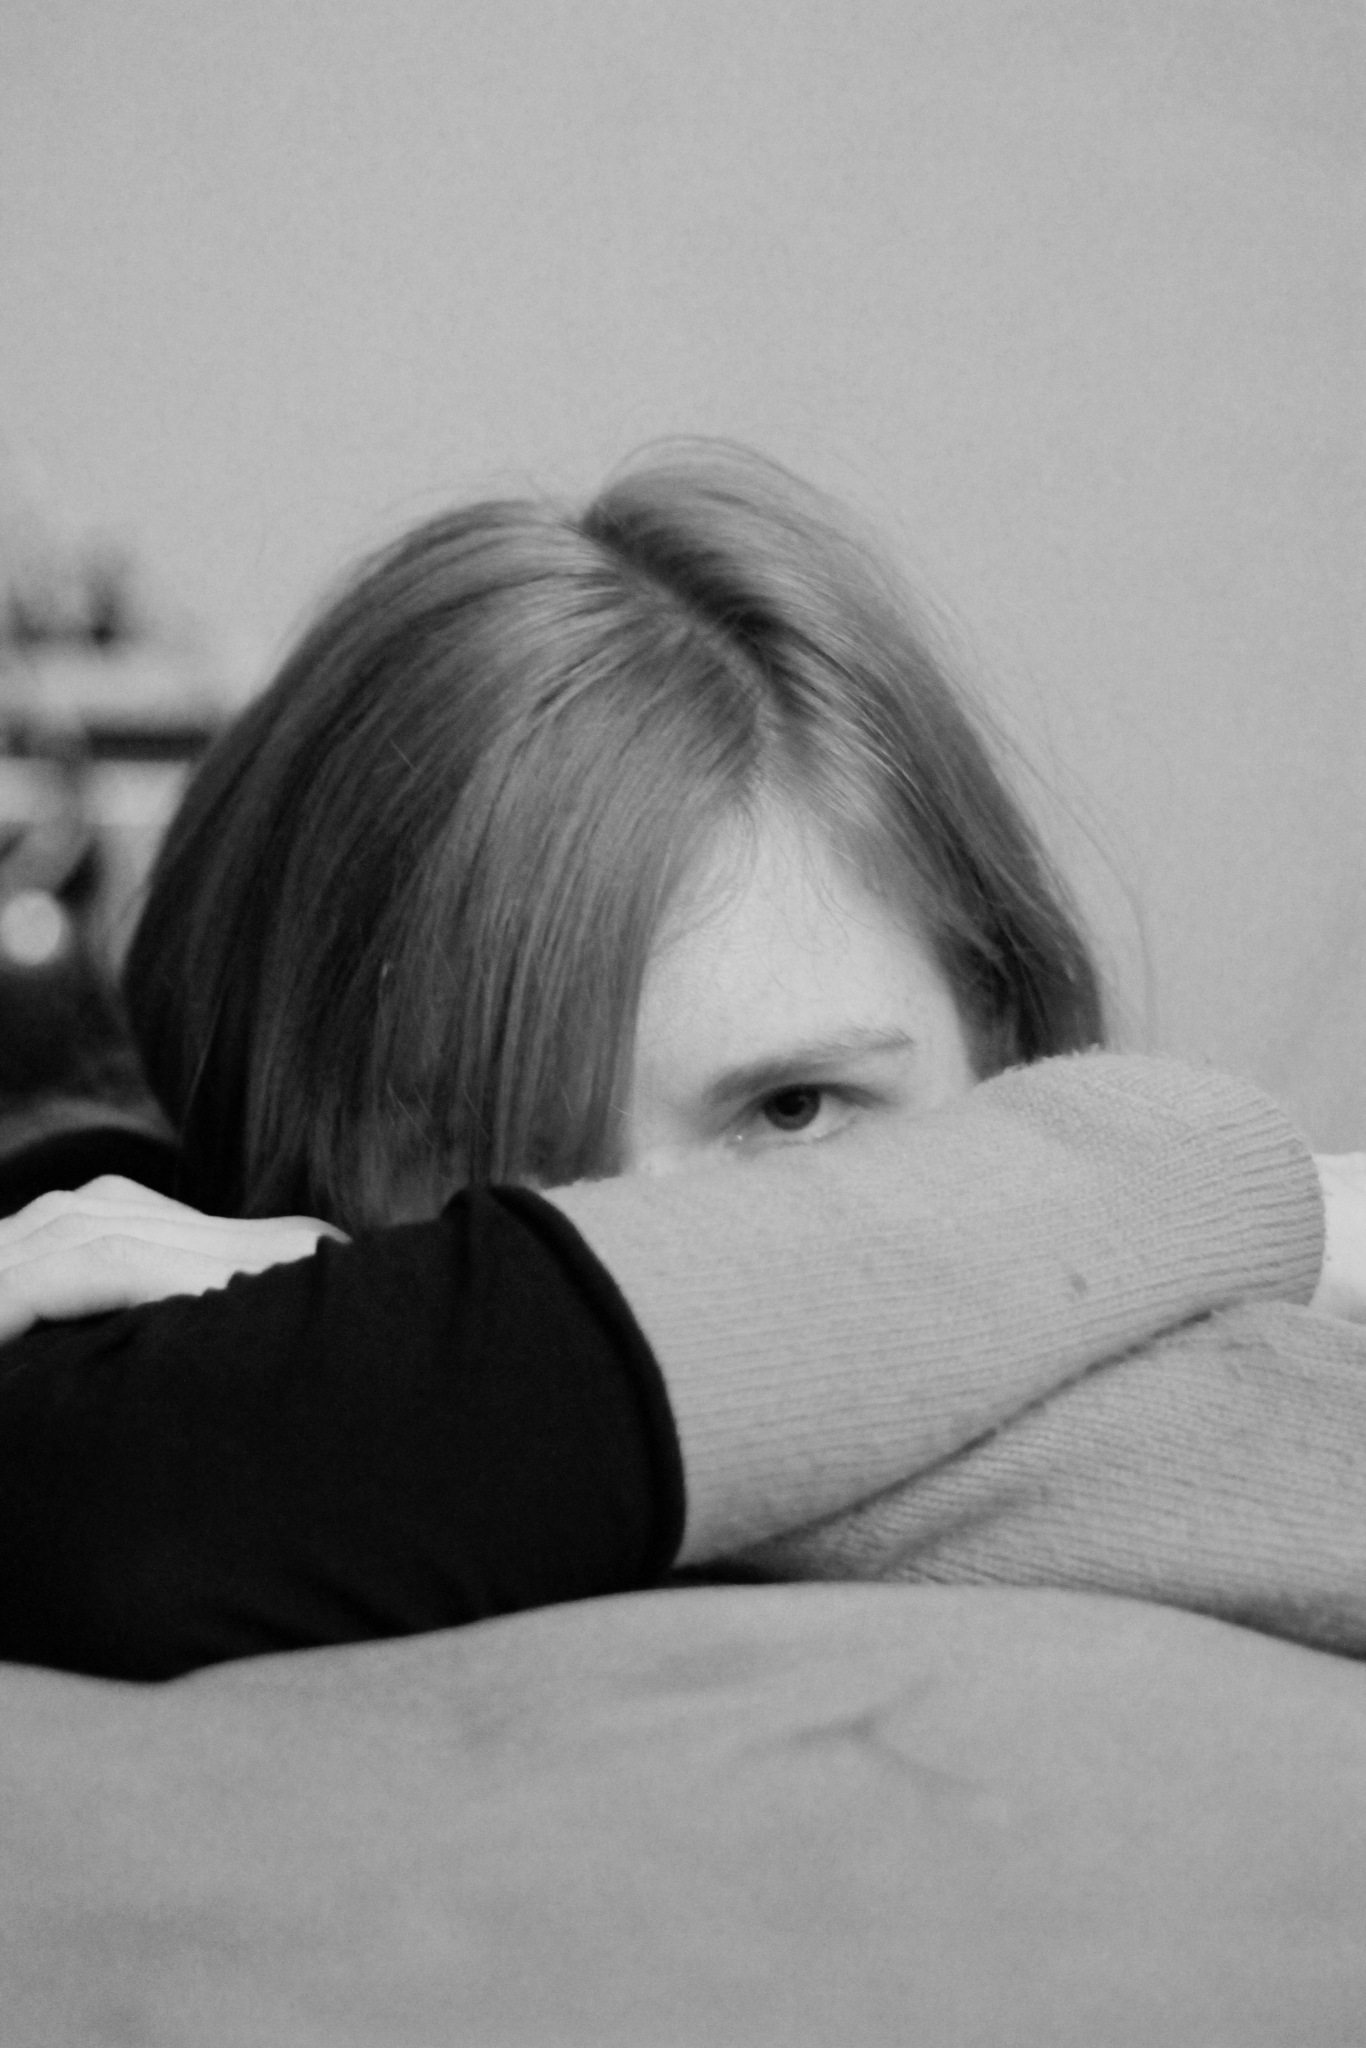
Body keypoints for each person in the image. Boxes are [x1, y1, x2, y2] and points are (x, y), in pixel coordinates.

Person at [0, 446, 1362, 1679]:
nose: (656, 1227)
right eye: (485, 1141)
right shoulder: (105, 1265)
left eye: (793, 1109)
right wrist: (1181, 1181)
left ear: (1006, 1039)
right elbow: (106, 1502)